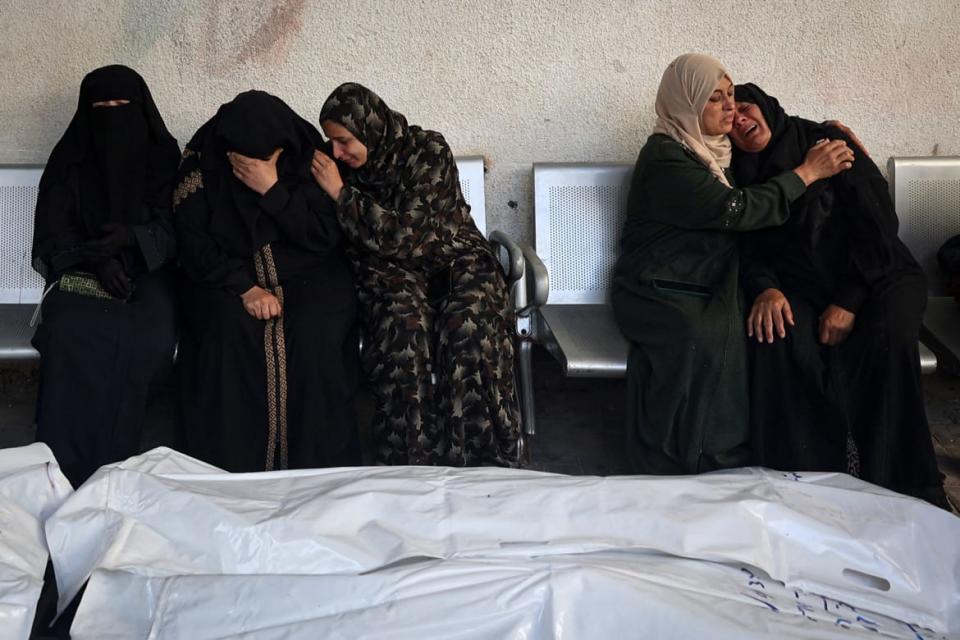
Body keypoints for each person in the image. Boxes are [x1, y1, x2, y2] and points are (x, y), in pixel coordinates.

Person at [611, 54, 853, 475]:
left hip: (710, 278)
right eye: (714, 98)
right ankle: (686, 457)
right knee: (704, 334)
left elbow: (778, 134)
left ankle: (778, 452)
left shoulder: (717, 153)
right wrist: (808, 173)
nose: (729, 107)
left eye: (731, 95)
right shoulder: (667, 158)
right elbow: (735, 209)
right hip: (659, 286)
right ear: (686, 106)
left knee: (778, 325)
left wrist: (832, 134)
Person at [731, 83, 947, 506]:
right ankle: (806, 480)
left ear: (768, 107)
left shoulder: (828, 143)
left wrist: (848, 301)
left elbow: (877, 225)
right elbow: (748, 244)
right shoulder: (740, 172)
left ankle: (899, 486)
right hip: (805, 286)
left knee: (886, 337)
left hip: (879, 274)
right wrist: (767, 289)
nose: (739, 118)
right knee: (779, 334)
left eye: (745, 106)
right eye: (731, 117)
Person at [311, 83, 520, 466]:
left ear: (369, 127)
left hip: (453, 255)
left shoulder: (427, 151)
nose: (336, 152)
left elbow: (409, 235)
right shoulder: (339, 168)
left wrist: (343, 196)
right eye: (331, 142)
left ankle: (481, 460)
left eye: (343, 141)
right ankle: (410, 460)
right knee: (402, 329)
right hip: (386, 268)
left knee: (469, 327)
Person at [174, 90, 360, 472]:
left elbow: (324, 236)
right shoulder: (202, 165)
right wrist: (244, 287)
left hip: (312, 276)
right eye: (242, 158)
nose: (251, 165)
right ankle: (233, 470)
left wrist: (272, 189)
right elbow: (193, 242)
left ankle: (320, 470)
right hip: (227, 280)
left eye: (263, 155)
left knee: (314, 333)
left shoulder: (310, 161)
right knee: (227, 333)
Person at [32, 65, 180, 487]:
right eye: (101, 108)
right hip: (79, 269)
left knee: (145, 339)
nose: (112, 118)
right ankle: (64, 468)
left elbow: (177, 227)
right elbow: (52, 231)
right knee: (70, 333)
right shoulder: (70, 160)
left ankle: (120, 464)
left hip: (149, 274)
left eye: (123, 107)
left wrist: (134, 239)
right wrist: (94, 259)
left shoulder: (164, 157)